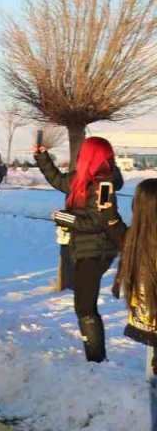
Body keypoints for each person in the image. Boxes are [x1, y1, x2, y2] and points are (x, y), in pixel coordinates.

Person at [34, 135, 124, 362]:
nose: (79, 155)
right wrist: (42, 157)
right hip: (84, 248)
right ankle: (95, 360)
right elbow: (58, 180)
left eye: (84, 152)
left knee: (85, 307)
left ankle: (96, 361)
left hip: (98, 251)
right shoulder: (82, 179)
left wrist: (64, 217)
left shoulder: (104, 185)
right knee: (83, 305)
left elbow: (97, 222)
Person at [111, 178, 156, 430]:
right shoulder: (139, 242)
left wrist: (108, 214)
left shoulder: (137, 240)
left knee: (153, 389)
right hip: (152, 332)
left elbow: (119, 233)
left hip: (150, 330)